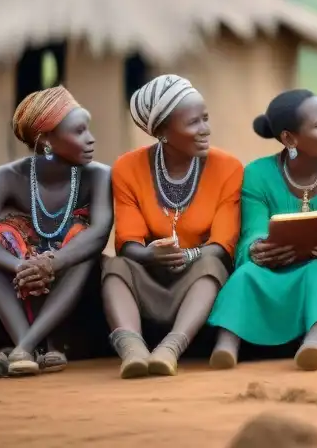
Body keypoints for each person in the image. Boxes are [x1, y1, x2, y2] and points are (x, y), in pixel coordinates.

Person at [207, 89, 317, 371]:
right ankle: (225, 347)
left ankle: (316, 344)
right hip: (273, 268)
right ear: (289, 138)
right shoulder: (258, 173)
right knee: (247, 273)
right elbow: (251, 231)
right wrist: (257, 248)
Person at [0, 86, 113, 377]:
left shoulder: (98, 176)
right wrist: (21, 266)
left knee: (81, 243)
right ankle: (26, 345)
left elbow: (100, 233)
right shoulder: (6, 177)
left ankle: (25, 347)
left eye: (89, 129)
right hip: (18, 293)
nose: (91, 139)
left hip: (71, 297)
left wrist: (52, 262)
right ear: (46, 140)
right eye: (79, 131)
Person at [102, 75, 241, 377]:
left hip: (197, 284)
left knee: (211, 267)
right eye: (194, 123)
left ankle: (170, 349)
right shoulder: (128, 167)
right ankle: (132, 349)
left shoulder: (227, 167)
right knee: (115, 267)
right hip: (149, 278)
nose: (205, 129)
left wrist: (187, 256)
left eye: (205, 119)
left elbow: (222, 244)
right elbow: (127, 242)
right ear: (163, 131)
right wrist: (151, 255)